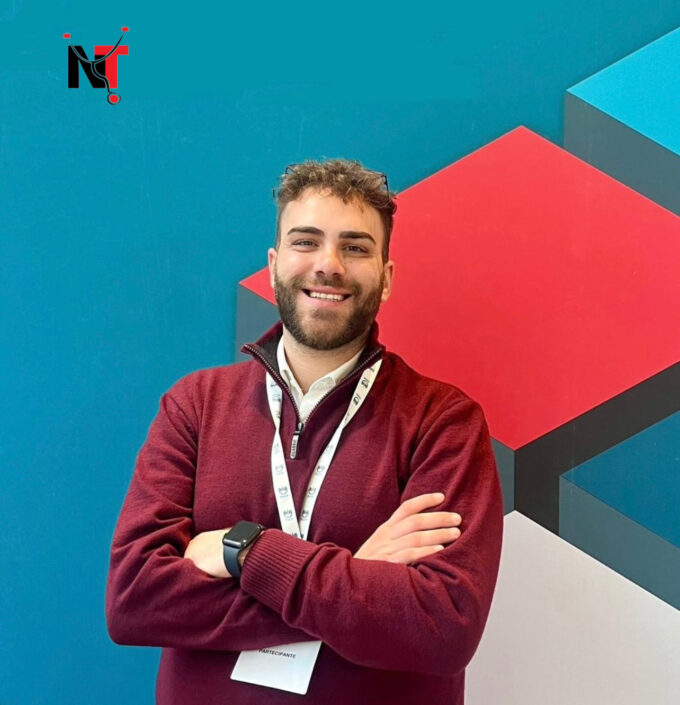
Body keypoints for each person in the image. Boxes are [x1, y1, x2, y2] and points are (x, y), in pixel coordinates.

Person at [106, 158, 503, 705]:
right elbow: (135, 600)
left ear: (387, 277)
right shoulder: (194, 405)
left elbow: (440, 627)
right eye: (306, 242)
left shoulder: (444, 422)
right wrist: (358, 576)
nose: (328, 265)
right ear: (274, 266)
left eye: (355, 247)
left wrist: (248, 552)